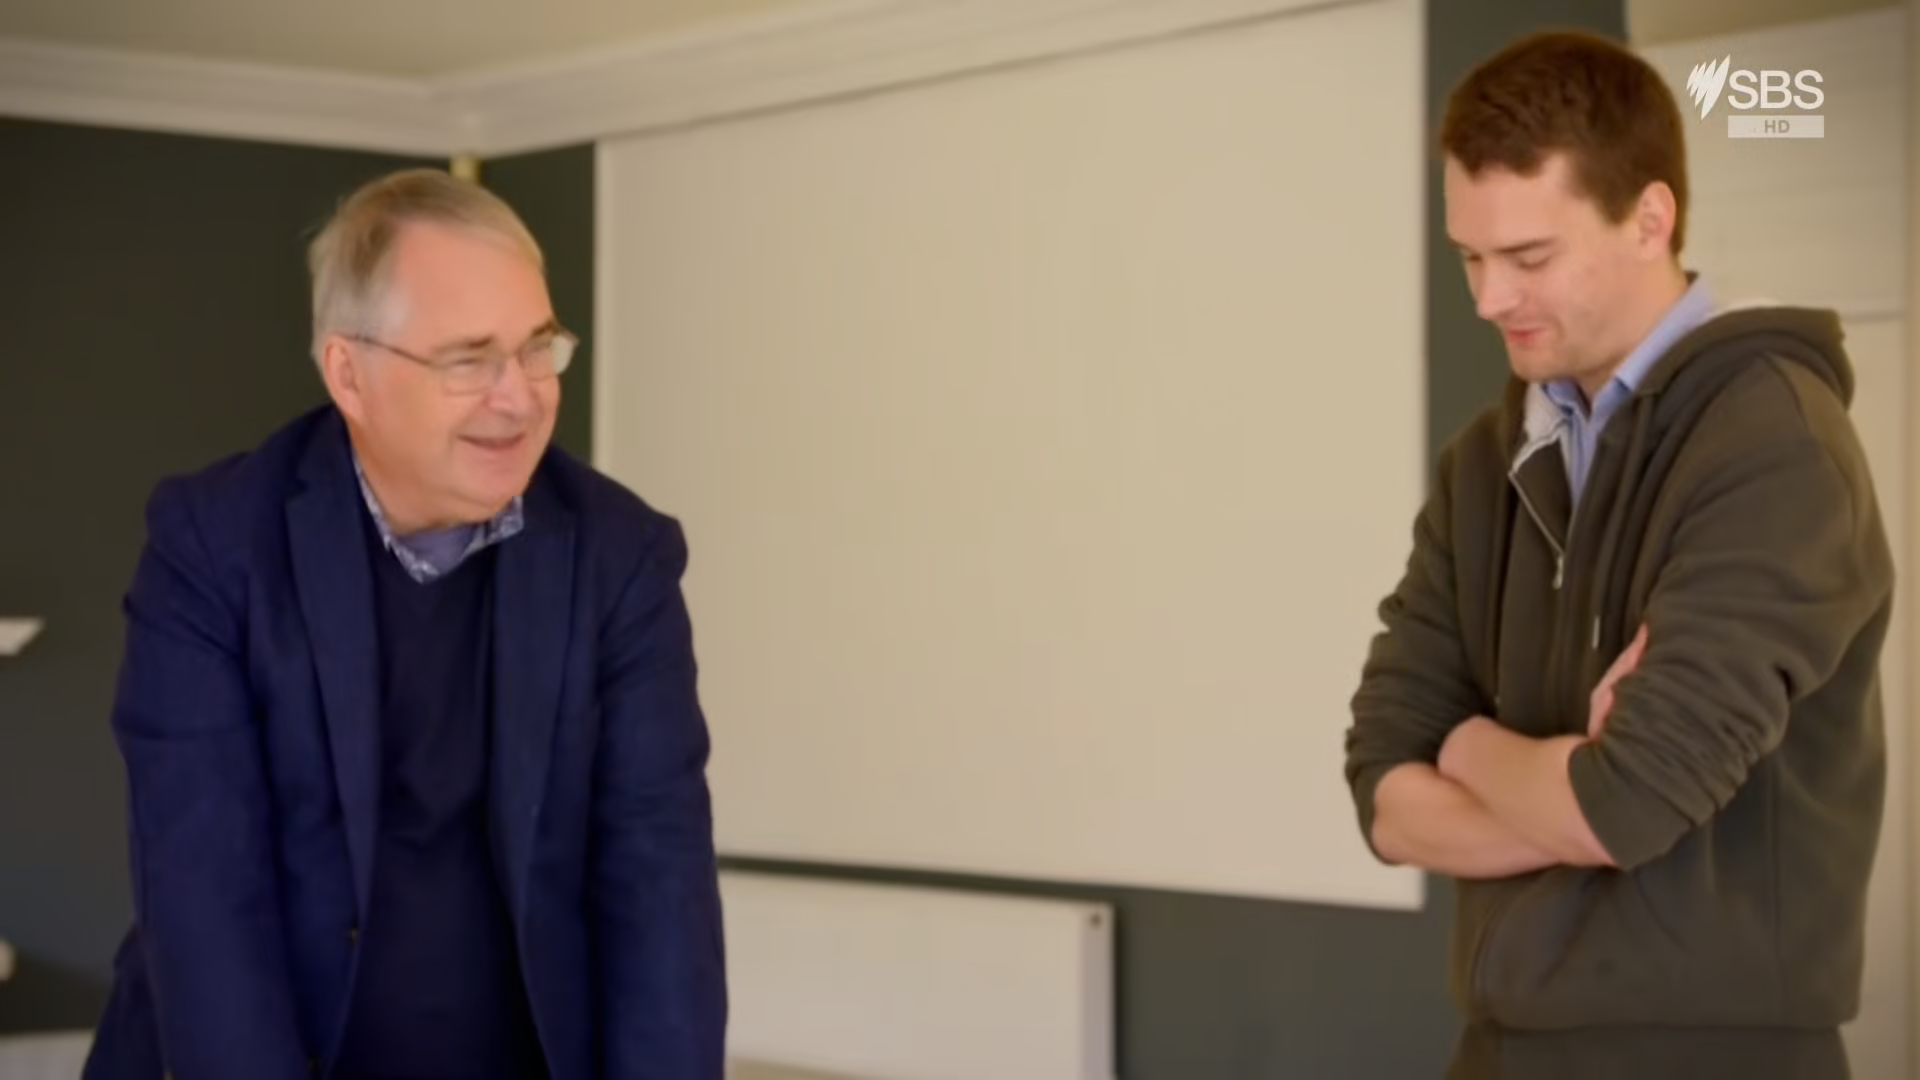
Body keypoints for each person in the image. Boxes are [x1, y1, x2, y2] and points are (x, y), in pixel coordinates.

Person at [83, 168, 727, 1079]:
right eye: (468, 360)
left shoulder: (623, 556)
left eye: (537, 348)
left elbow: (659, 885)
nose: (519, 396)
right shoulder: (213, 548)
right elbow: (204, 892)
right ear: (350, 373)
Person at [1343, 29, 1894, 1080]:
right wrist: (1569, 792)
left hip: (1709, 1058)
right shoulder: (1483, 465)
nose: (1487, 299)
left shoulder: (1774, 443)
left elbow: (1627, 802)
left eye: (1528, 258)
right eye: (1470, 257)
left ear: (1650, 218)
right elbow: (1384, 795)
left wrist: (1468, 746)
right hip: (1498, 1051)